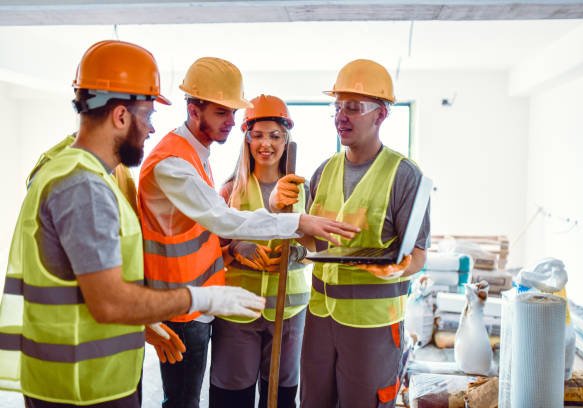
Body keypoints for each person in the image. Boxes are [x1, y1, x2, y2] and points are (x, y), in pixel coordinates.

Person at [0, 40, 266, 408]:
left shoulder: (107, 173)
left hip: (100, 372)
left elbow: (95, 275)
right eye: (148, 116)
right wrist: (204, 297)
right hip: (79, 384)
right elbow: (109, 301)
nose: (152, 130)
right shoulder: (81, 184)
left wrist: (142, 323)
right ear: (121, 116)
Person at [137, 58, 360, 408]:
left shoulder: (198, 156)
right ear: (194, 110)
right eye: (224, 114)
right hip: (184, 304)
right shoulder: (178, 163)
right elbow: (222, 222)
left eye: (274, 135)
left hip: (212, 302)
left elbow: (200, 235)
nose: (232, 122)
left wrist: (292, 247)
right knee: (187, 401)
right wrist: (286, 227)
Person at [286, 59, 431, 408]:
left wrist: (399, 268)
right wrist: (287, 217)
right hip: (320, 317)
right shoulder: (323, 171)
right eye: (337, 107)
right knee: (314, 401)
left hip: (374, 325)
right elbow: (310, 241)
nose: (341, 116)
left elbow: (420, 254)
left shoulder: (404, 176)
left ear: (381, 115)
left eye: (352, 108)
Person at [210, 95, 309, 408]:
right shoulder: (230, 190)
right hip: (238, 312)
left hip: (289, 313)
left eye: (275, 135)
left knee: (280, 397)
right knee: (231, 395)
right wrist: (238, 246)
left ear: (286, 140)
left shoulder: (302, 189)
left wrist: (297, 252)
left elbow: (315, 242)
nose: (266, 144)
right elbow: (212, 247)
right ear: (247, 140)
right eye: (258, 135)